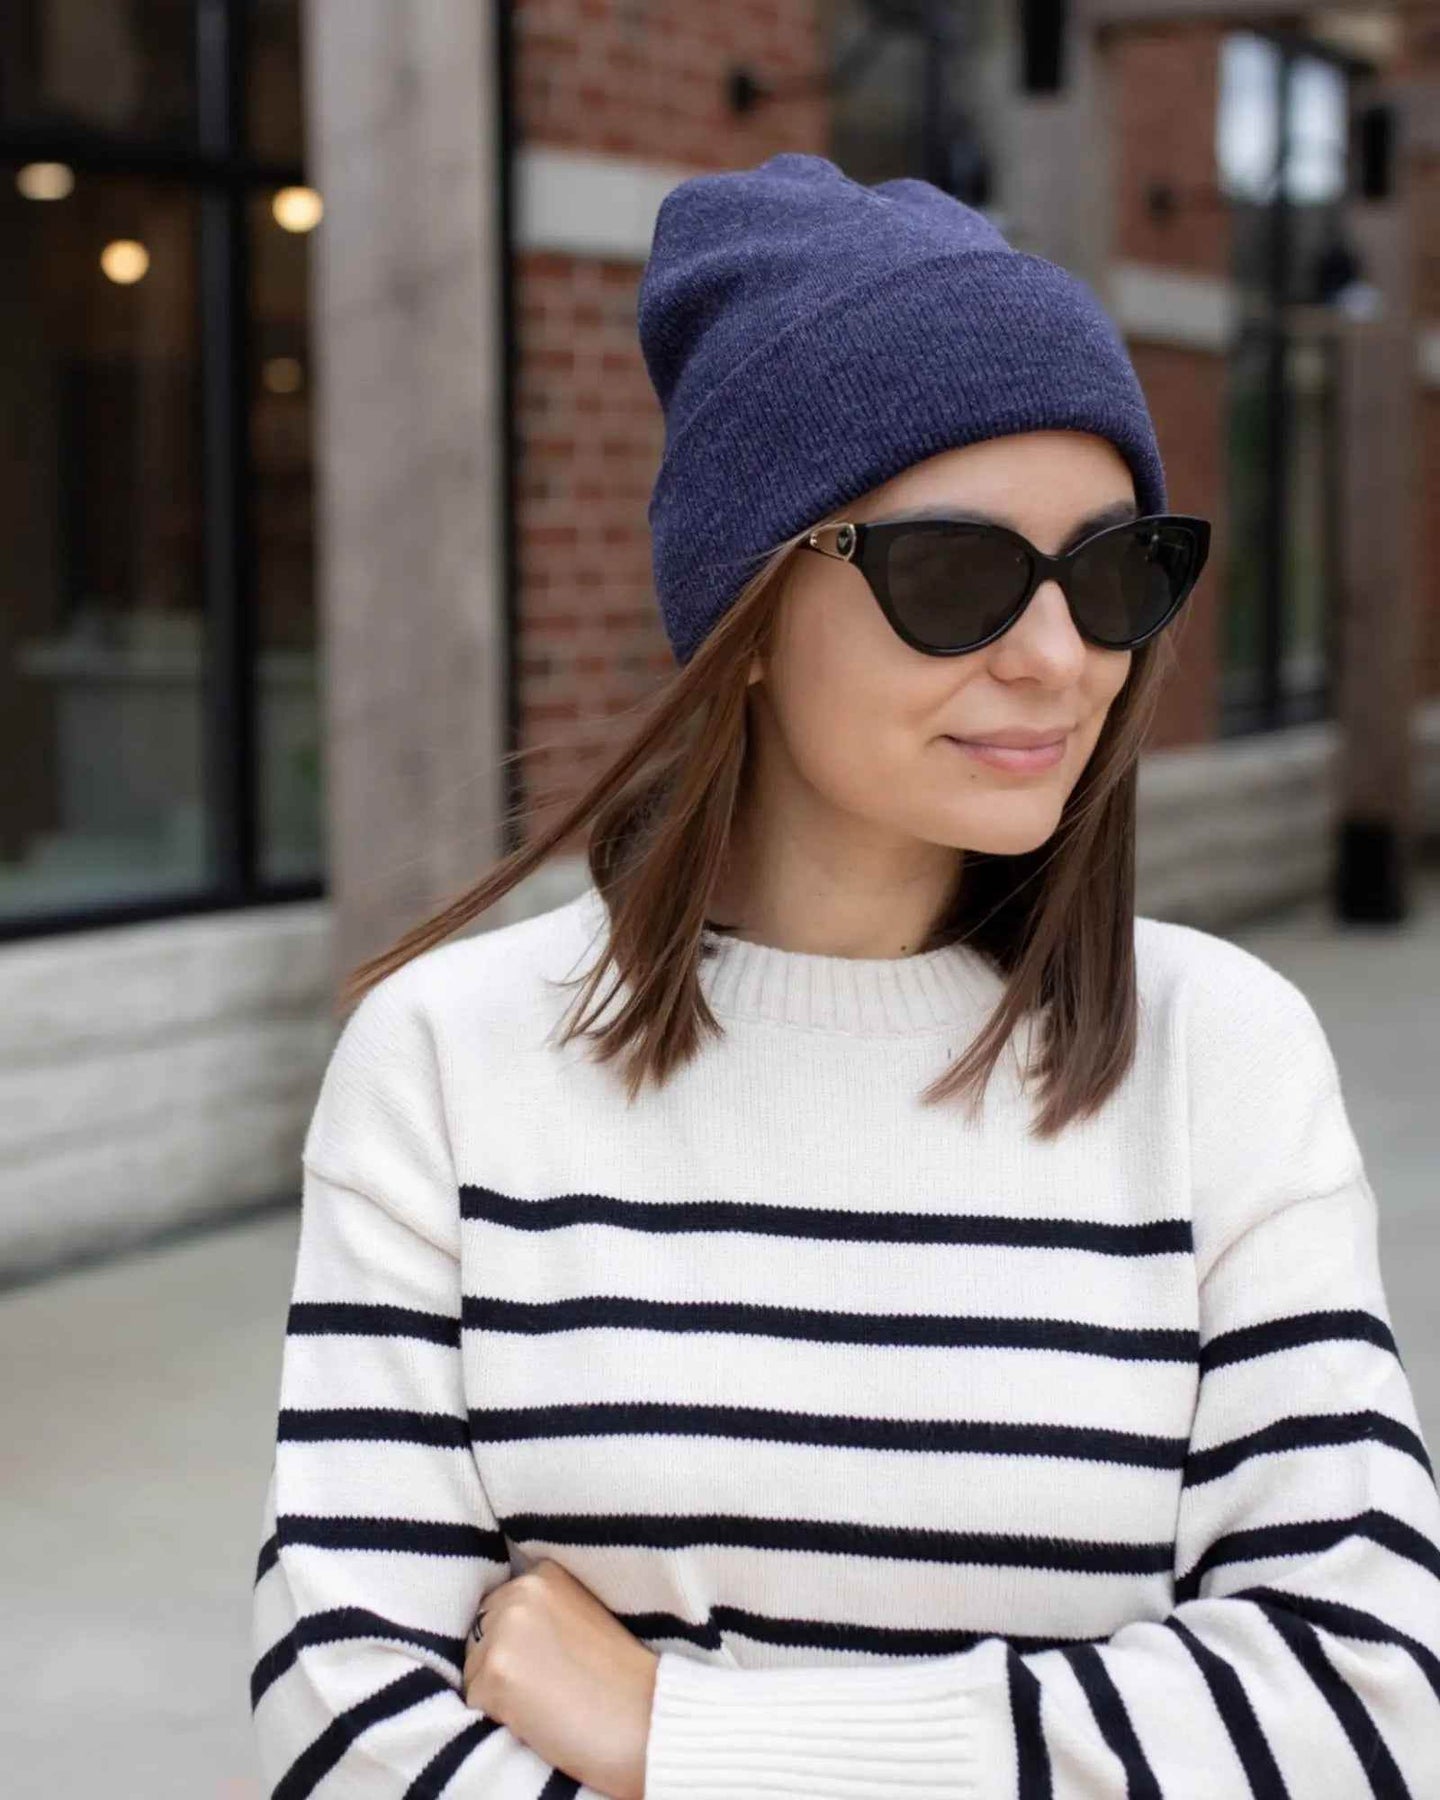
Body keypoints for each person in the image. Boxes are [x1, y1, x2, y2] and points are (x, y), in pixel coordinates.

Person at [249, 152, 1440, 1798]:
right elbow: (342, 1722)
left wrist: (685, 1737)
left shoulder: (1218, 1055)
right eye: (955, 576)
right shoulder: (451, 1064)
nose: (1059, 657)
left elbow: (1360, 1705)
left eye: (1118, 572)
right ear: (747, 611)